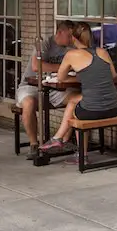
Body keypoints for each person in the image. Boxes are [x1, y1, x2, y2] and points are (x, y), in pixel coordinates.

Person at [40, 22, 117, 155]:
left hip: (93, 111)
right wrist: (84, 76)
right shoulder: (103, 52)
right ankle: (60, 139)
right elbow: (113, 75)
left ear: (73, 37)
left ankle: (72, 149)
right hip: (114, 108)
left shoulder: (71, 55)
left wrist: (77, 76)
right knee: (74, 102)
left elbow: (60, 78)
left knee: (77, 109)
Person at [14, 21, 74, 159]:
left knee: (77, 98)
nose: (71, 39)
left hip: (54, 88)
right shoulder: (45, 44)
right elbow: (37, 66)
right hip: (31, 86)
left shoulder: (71, 48)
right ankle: (34, 144)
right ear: (60, 32)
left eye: (72, 36)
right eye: (69, 36)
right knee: (28, 103)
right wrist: (63, 67)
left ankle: (62, 140)